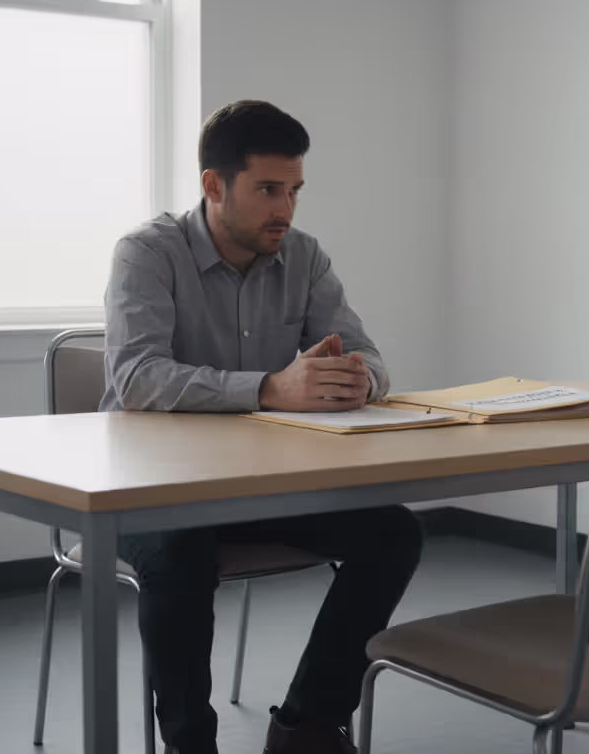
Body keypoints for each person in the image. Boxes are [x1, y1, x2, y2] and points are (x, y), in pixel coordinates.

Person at [99, 100, 423, 754]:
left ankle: (306, 723)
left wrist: (362, 378)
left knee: (392, 533)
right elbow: (137, 377)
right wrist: (272, 388)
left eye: (295, 190)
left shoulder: (304, 259)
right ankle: (191, 744)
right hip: (152, 490)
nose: (286, 209)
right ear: (213, 186)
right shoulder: (147, 253)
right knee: (179, 551)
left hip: (262, 487)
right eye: (268, 190)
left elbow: (370, 354)